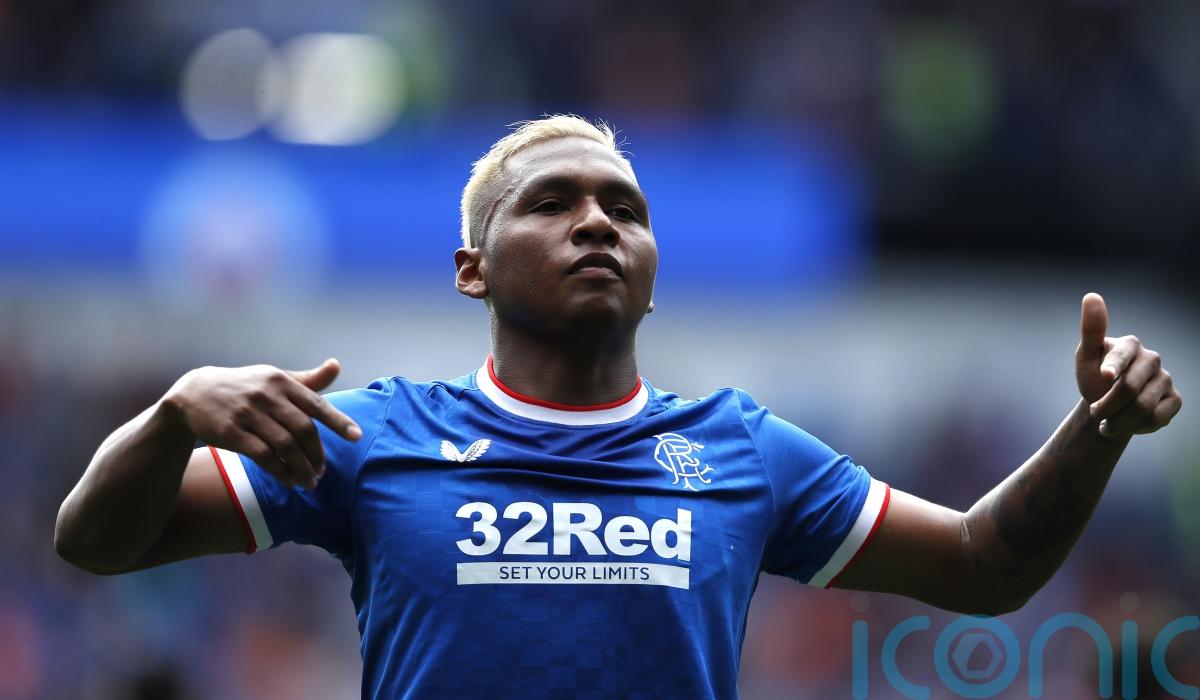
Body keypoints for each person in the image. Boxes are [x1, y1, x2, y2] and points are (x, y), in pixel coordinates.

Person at [55, 115, 1182, 699]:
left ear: (650, 271)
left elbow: (983, 566)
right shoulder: (370, 434)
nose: (598, 222)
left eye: (625, 210)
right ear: (472, 270)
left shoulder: (744, 450)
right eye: (552, 203)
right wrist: (173, 414)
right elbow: (98, 541)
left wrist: (1098, 432)